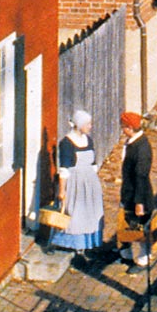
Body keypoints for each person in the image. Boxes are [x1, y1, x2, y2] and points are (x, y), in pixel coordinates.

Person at [50, 109, 104, 254]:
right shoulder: (67, 143)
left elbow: (93, 163)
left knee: (91, 212)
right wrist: (62, 191)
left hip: (90, 182)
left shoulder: (89, 140)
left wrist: (93, 182)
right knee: (75, 213)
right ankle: (73, 244)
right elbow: (64, 169)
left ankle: (88, 243)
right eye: (88, 124)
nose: (90, 126)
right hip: (75, 183)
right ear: (79, 124)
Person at [118, 111, 156, 267]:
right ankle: (125, 252)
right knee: (126, 223)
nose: (122, 130)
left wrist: (139, 202)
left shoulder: (141, 149)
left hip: (138, 195)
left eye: (123, 127)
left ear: (129, 128)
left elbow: (141, 175)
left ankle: (144, 256)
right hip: (128, 192)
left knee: (140, 226)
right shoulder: (133, 142)